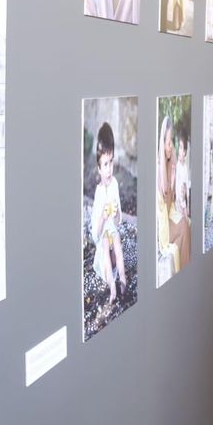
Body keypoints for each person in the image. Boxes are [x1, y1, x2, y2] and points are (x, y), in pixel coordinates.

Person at [91, 122, 127, 305]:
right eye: (105, 164)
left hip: (113, 233)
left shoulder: (114, 185)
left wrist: (116, 213)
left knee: (117, 242)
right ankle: (112, 287)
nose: (109, 169)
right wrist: (104, 216)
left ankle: (122, 279)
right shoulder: (98, 193)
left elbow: (119, 219)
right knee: (106, 242)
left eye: (111, 162)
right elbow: (95, 232)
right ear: (98, 168)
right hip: (104, 240)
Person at [158, 116, 191, 274]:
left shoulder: (170, 163)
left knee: (186, 223)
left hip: (168, 213)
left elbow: (172, 202)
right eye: (168, 142)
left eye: (171, 142)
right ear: (162, 143)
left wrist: (172, 182)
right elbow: (164, 206)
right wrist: (170, 183)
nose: (171, 147)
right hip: (161, 223)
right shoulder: (159, 167)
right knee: (184, 226)